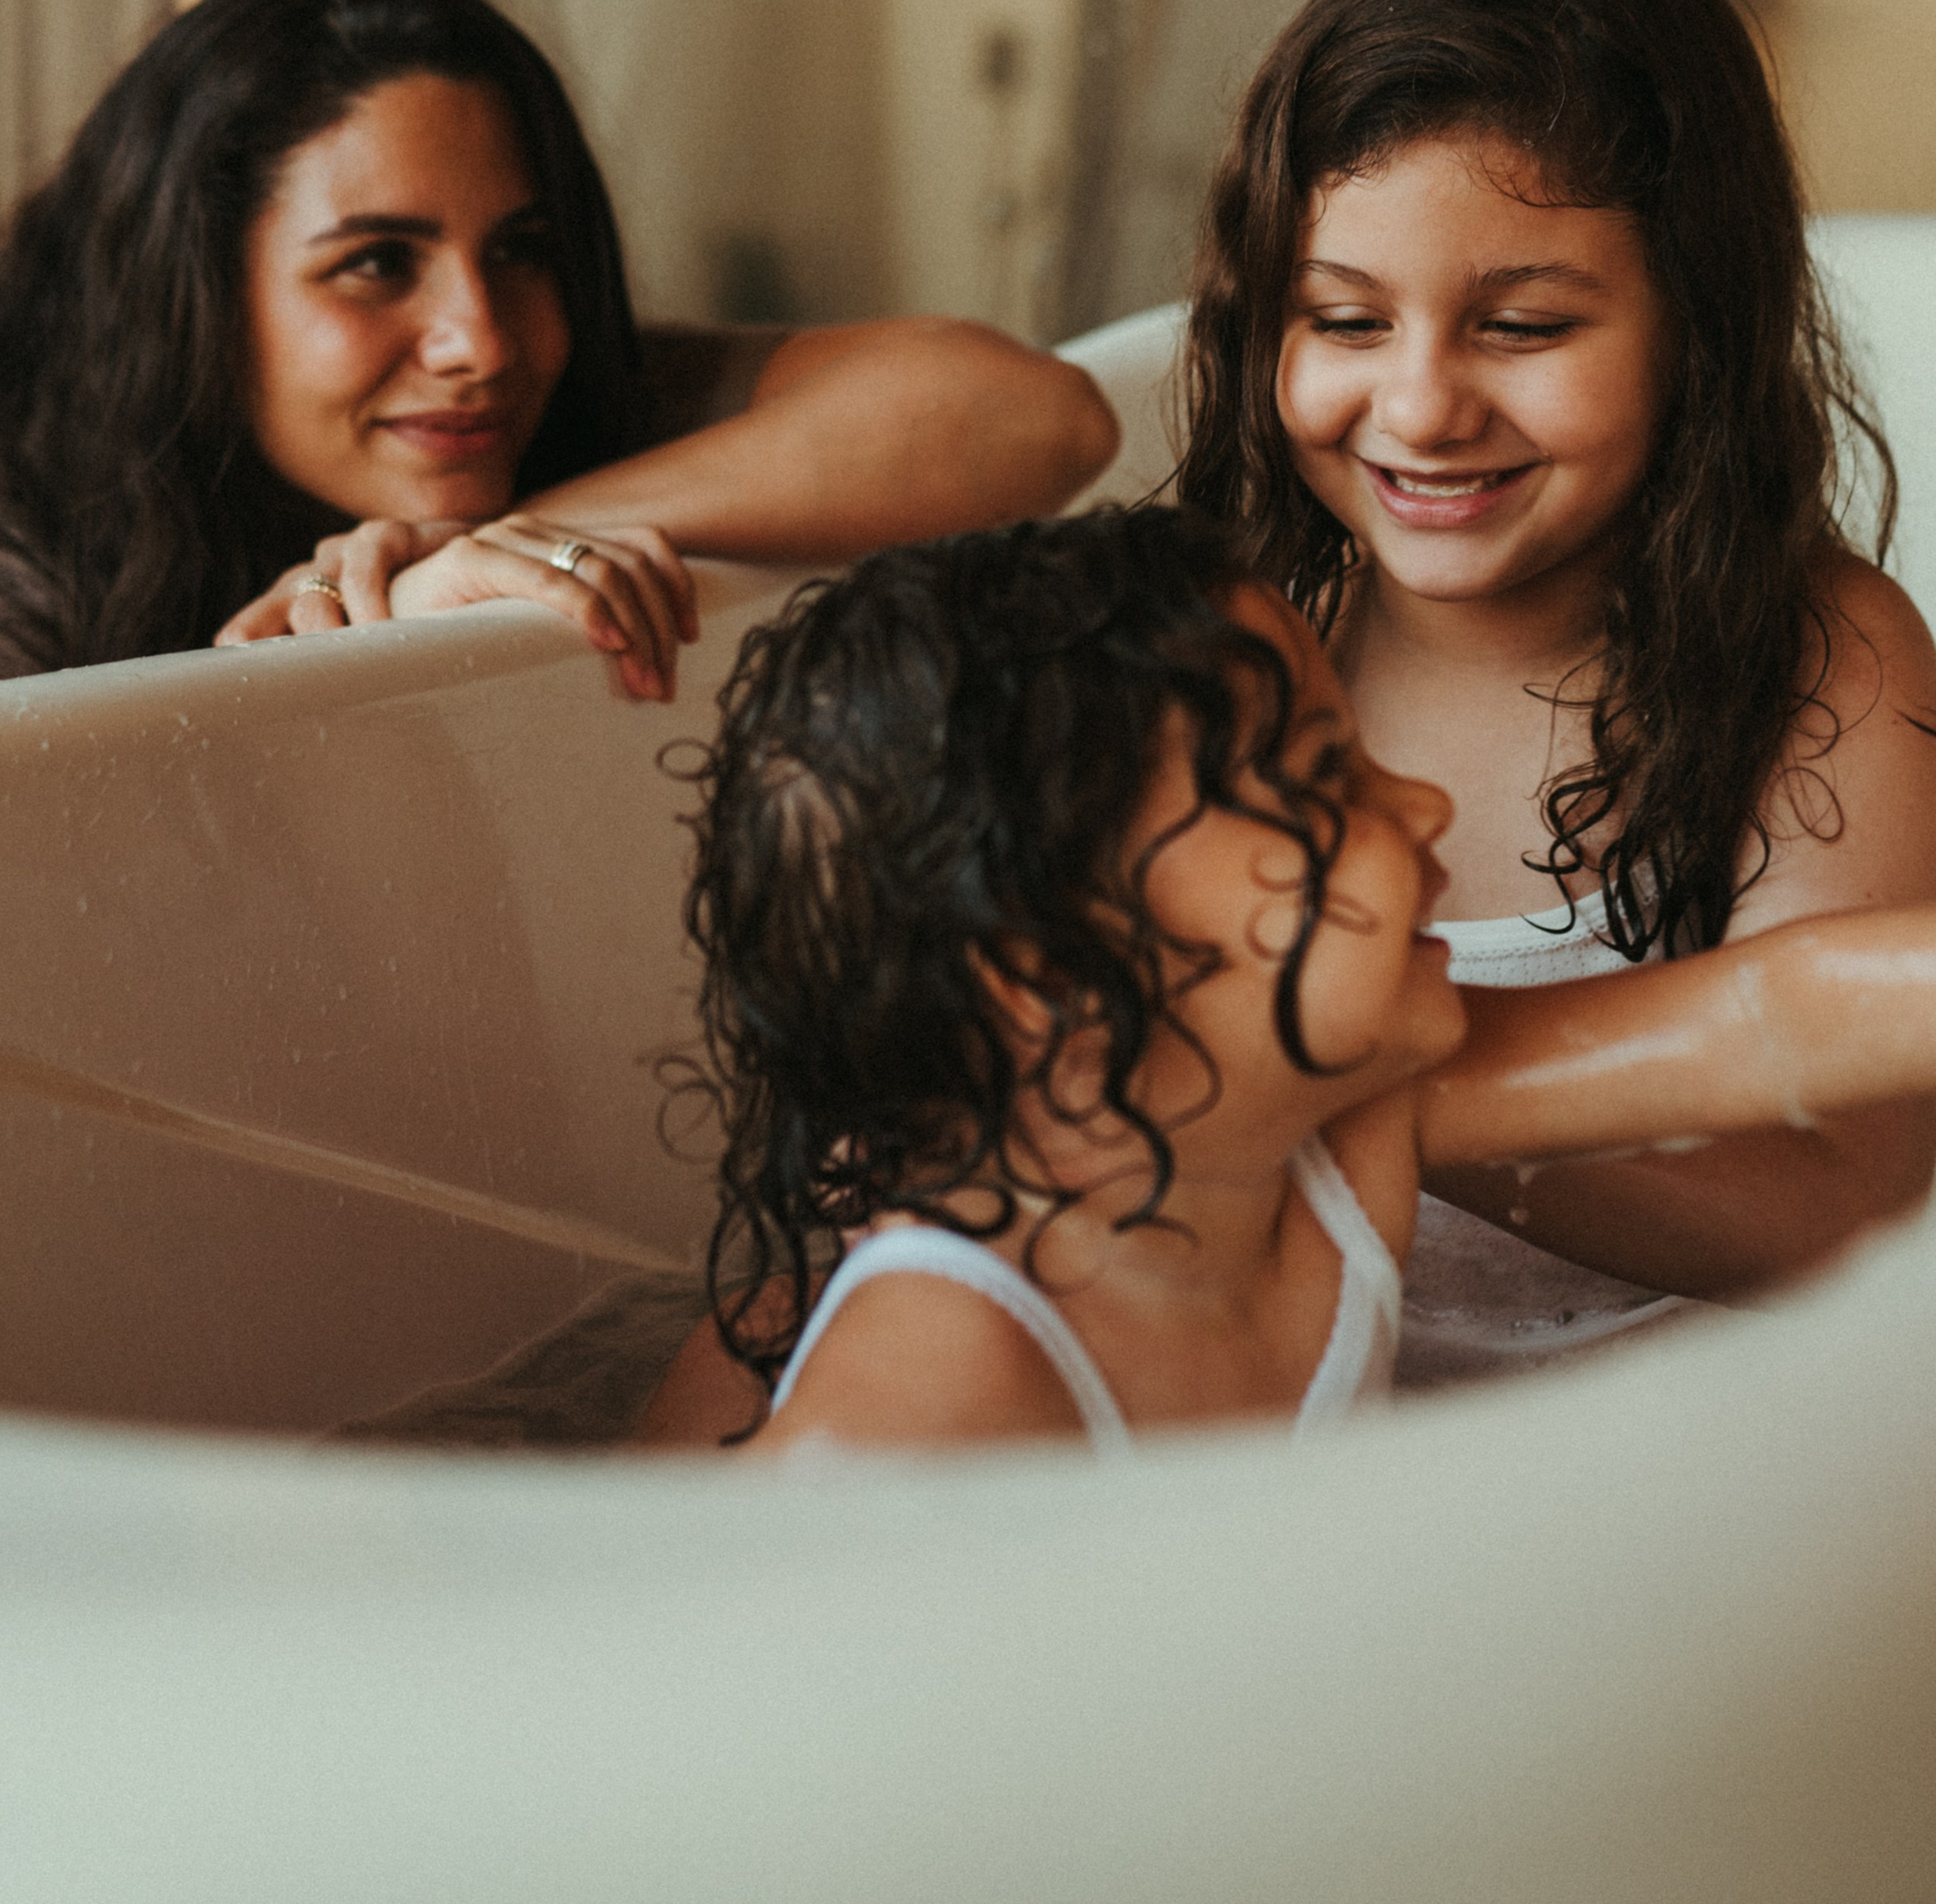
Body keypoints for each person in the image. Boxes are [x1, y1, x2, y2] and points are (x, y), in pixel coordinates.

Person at [675, 507, 1936, 1454]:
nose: (1426, 802)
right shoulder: (944, 1379)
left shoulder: (1340, 1136)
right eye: (1326, 780)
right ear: (1053, 978)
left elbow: (1768, 1017)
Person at [1176, 0, 1936, 1380]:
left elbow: (1845, 1212)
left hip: (1660, 1455)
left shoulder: (1813, 664)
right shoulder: (1226, 647)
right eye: (1343, 320)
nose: (1420, 406)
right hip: (1300, 1445)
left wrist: (1358, 1075)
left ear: (1698, 328)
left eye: (1523, 328)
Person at [0, 0, 1116, 702]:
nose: (485, 340)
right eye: (375, 263)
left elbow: (1037, 416)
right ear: (187, 301)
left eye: (522, 250)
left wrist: (516, 541)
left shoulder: (543, 411)